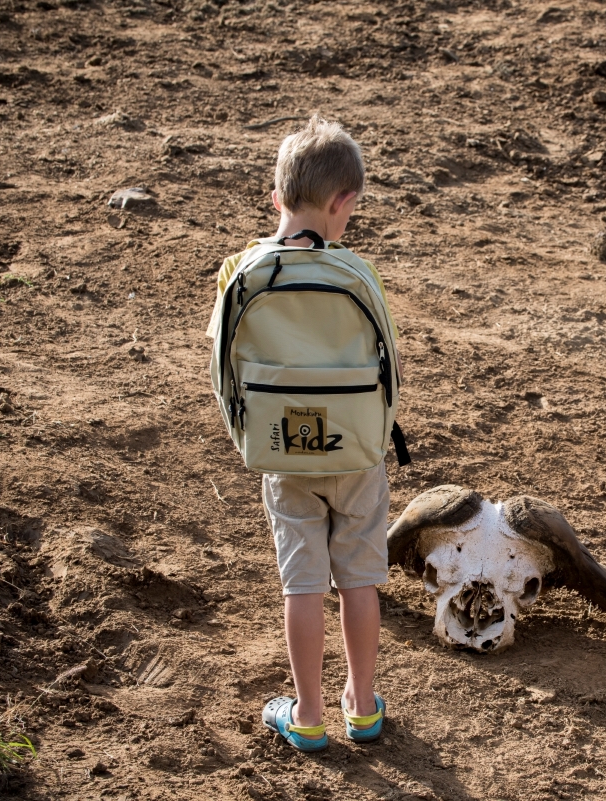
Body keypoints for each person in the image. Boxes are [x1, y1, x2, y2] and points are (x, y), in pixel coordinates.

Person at [206, 116, 395, 751]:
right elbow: (389, 374)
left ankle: (308, 714)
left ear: (276, 195)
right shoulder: (355, 273)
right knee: (359, 579)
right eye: (353, 210)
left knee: (303, 582)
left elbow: (221, 372)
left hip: (283, 453)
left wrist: (252, 439)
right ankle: (363, 706)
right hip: (357, 453)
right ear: (343, 202)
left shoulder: (241, 271)